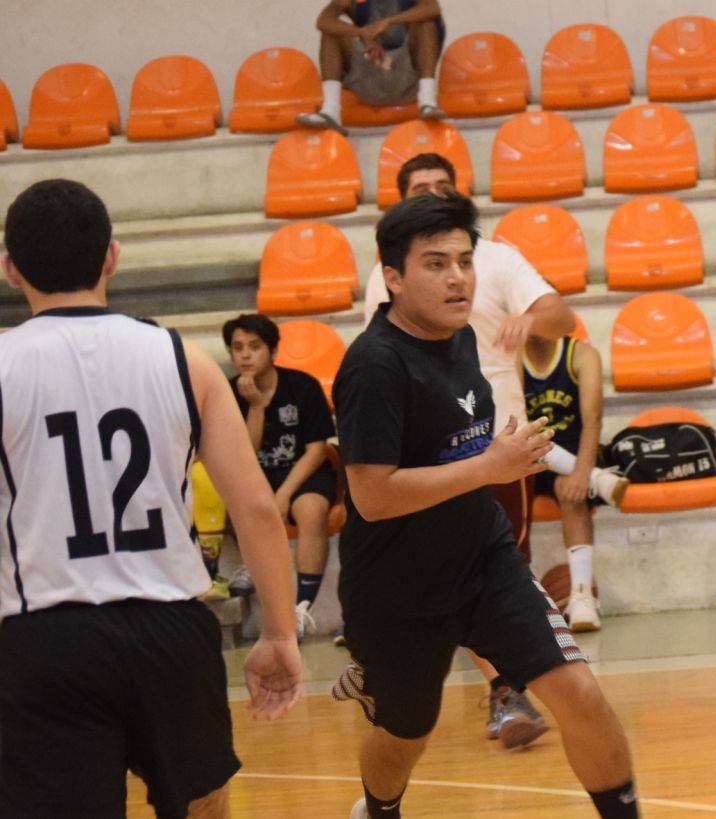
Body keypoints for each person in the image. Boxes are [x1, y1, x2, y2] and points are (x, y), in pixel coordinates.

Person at [0, 179, 303, 817]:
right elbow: (256, 509)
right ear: (112, 256)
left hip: (44, 635)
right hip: (169, 626)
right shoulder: (184, 359)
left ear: (10, 269)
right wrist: (280, 631)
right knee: (203, 806)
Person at [332, 192, 639, 819]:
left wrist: (502, 457)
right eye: (436, 264)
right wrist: (488, 467)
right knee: (407, 732)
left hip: (483, 559)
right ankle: (379, 810)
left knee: (580, 693)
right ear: (392, 278)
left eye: (465, 262)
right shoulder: (373, 366)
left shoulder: (463, 338)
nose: (458, 278)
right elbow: (372, 496)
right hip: (397, 586)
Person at [226, 312, 339, 638]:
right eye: (238, 348)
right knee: (237, 500)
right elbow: (243, 455)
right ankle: (250, 566)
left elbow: (316, 450)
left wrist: (284, 494)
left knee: (312, 510)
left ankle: (302, 607)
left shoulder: (303, 386)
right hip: (254, 474)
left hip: (302, 472)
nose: (245, 355)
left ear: (273, 351)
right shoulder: (227, 392)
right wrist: (256, 406)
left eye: (254, 347)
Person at [299, 0, 446, 131]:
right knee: (331, 32)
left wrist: (388, 21)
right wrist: (362, 33)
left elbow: (433, 8)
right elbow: (323, 20)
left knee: (426, 23)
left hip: (407, 77)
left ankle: (427, 101)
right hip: (368, 74)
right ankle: (331, 111)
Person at [519, 329, 613, 631]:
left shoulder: (582, 355)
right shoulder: (512, 358)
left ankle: (582, 596)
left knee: (571, 493)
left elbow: (593, 419)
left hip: (574, 449)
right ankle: (602, 479)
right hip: (527, 452)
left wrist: (582, 472)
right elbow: (516, 421)